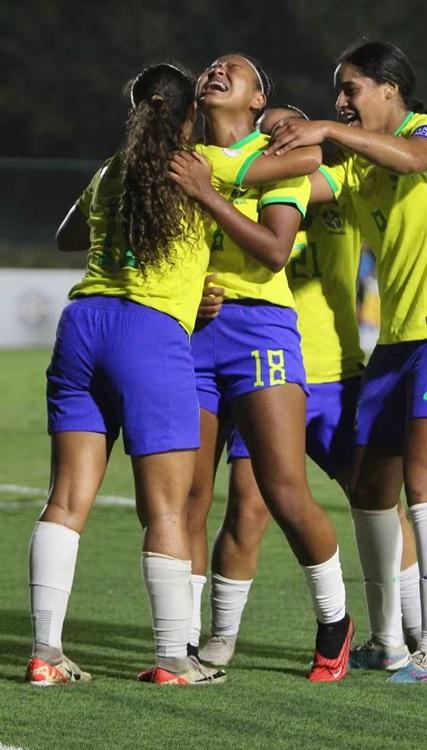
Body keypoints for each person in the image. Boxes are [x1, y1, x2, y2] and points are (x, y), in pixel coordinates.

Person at [195, 106, 427, 673]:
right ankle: (220, 639)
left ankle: (421, 632)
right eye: (268, 129)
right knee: (248, 510)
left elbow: (385, 168)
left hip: (336, 378)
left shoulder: (341, 195)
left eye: (288, 126)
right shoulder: (243, 202)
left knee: (379, 501)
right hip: (264, 374)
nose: (277, 136)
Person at [267, 40, 427, 684]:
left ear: (390, 89)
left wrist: (319, 127)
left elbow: (416, 157)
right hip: (396, 345)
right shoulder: (353, 169)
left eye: (350, 89)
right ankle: (386, 642)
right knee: (372, 492)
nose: (340, 101)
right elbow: (295, 187)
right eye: (336, 92)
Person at [25, 62, 229, 687]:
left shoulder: (112, 171)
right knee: (166, 508)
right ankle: (172, 659)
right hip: (149, 332)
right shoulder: (200, 169)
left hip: (83, 324)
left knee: (65, 498)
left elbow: (68, 236)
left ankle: (44, 654)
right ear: (189, 113)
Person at [167, 58, 352, 682]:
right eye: (212, 66)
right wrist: (187, 292)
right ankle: (187, 641)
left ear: (257, 99)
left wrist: (208, 194)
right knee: (187, 495)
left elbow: (275, 249)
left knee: (279, 489)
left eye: (234, 69)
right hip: (194, 333)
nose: (216, 69)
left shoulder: (280, 155)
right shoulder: (186, 159)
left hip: (261, 332)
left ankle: (334, 620)